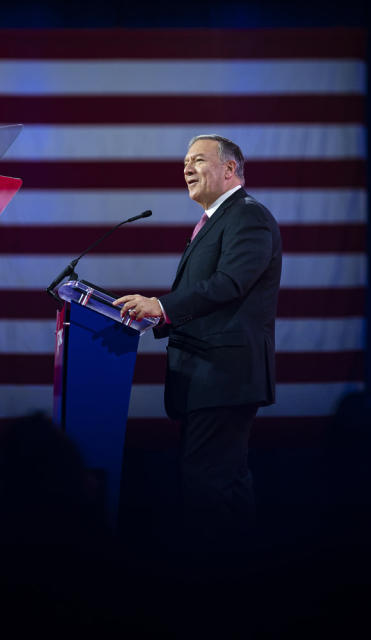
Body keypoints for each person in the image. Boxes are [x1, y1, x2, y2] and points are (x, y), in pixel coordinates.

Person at [114, 134, 282, 542]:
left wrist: (163, 306)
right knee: (224, 484)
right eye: (185, 161)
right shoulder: (215, 221)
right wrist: (156, 318)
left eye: (198, 160)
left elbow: (230, 284)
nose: (186, 168)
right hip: (207, 378)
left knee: (209, 487)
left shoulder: (247, 215)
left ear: (230, 169)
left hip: (224, 376)